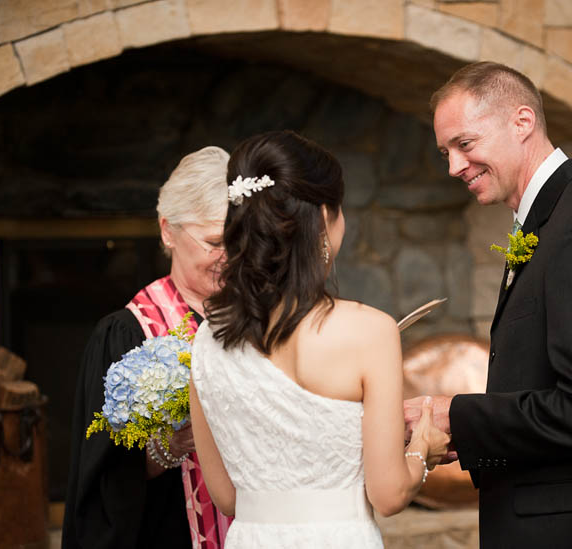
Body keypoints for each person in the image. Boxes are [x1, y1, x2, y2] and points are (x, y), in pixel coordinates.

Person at [404, 62, 572, 548]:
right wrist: (462, 434)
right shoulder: (549, 222)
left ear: (522, 123)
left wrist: (454, 415)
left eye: (465, 144)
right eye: (446, 152)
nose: (453, 167)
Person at [188, 130, 450, 548]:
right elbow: (390, 494)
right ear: (325, 217)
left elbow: (227, 497)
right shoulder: (370, 331)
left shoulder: (207, 339)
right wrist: (421, 446)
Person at [63, 146, 235, 548]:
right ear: (167, 231)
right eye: (214, 241)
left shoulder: (260, 325)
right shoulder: (126, 334)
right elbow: (103, 480)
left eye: (240, 240)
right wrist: (167, 449)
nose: (229, 257)